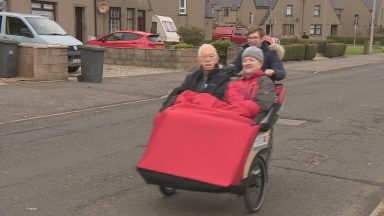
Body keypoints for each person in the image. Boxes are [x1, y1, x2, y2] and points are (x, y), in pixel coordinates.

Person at [160, 44, 230, 111]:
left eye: (211, 56)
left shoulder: (224, 79)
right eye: (204, 56)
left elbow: (221, 103)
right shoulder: (191, 78)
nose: (208, 59)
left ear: (217, 59)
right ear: (199, 60)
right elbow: (182, 97)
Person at [225, 46, 276, 122]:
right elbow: (224, 100)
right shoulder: (234, 81)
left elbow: (261, 106)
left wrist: (230, 111)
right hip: (228, 117)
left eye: (251, 60)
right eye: (244, 61)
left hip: (246, 122)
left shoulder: (265, 82)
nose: (247, 63)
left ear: (260, 64)